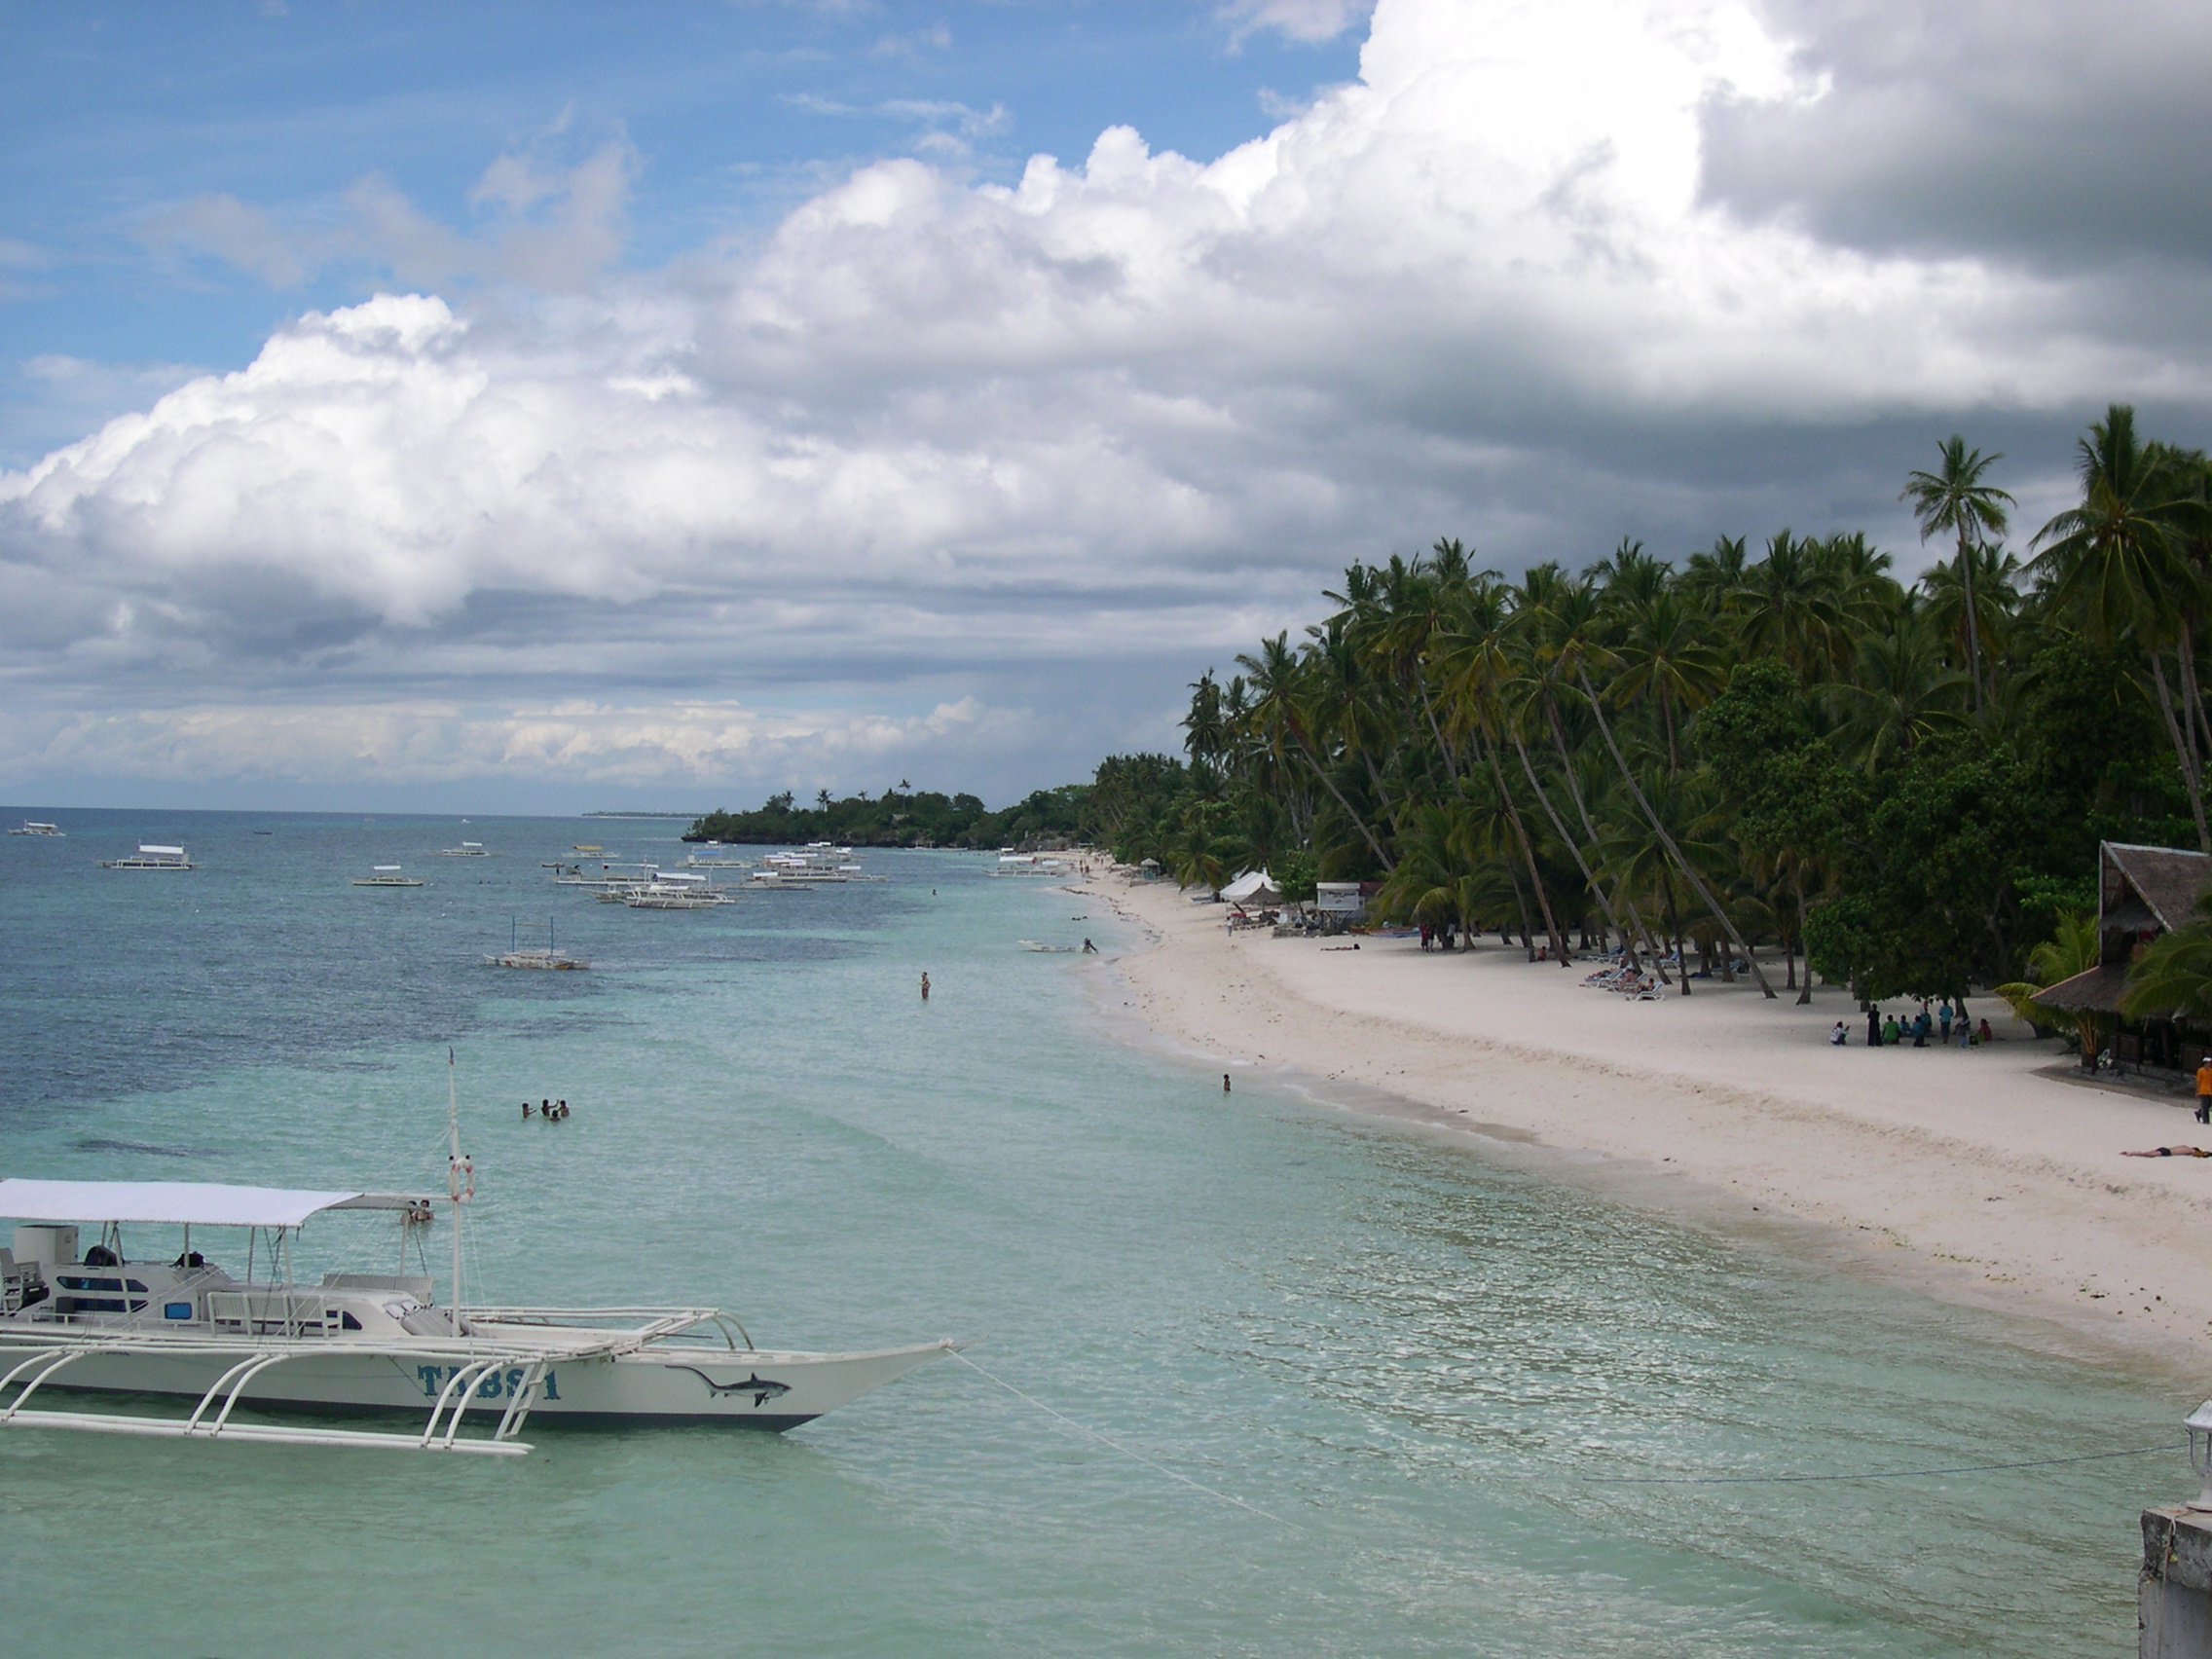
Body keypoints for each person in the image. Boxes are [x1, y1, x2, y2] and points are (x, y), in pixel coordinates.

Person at [2195, 1056, 2212, 1124]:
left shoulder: (2211, 1071)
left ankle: (2199, 1113)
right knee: (2205, 1105)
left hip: (2209, 1090)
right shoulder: (2201, 1071)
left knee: (2209, 1104)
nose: (2210, 1064)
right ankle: (2206, 1119)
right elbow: (2198, 1081)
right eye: (2208, 1063)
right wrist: (2197, 1090)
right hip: (2203, 1090)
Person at [2123, 1146, 2212, 1158]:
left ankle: (2131, 1153)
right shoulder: (2189, 1151)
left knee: (2147, 1153)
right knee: (2148, 1155)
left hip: (2165, 1150)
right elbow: (2201, 1154)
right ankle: (2131, 1153)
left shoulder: (2186, 1148)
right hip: (2167, 1152)